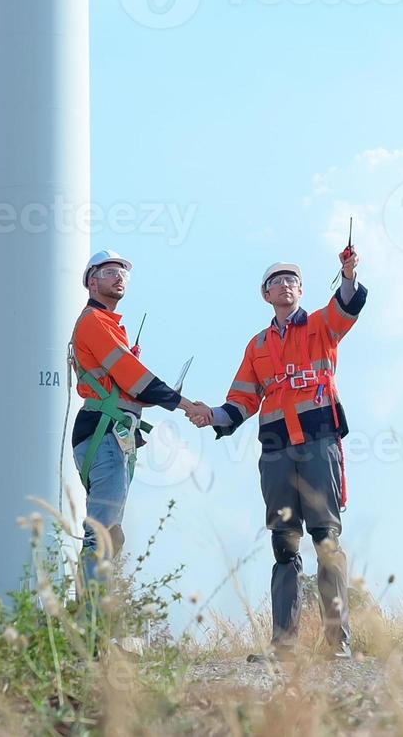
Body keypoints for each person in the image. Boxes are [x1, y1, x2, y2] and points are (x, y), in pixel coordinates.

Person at [186, 247, 365, 659]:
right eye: (275, 282)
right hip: (276, 452)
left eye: (291, 280)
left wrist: (349, 274)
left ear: (302, 290)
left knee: (326, 540)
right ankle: (283, 646)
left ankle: (337, 644)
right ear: (265, 295)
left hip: (319, 446)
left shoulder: (322, 326)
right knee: (284, 545)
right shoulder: (258, 346)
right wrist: (210, 415)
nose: (284, 285)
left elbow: (347, 306)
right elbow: (242, 400)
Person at [67, 249, 210, 590]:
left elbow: (128, 380)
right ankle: (90, 630)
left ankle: (95, 626)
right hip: (104, 435)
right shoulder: (95, 322)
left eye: (123, 273)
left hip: (112, 434)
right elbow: (134, 378)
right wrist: (186, 404)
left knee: (109, 533)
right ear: (91, 281)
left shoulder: (109, 327)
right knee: (101, 535)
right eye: (109, 272)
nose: (119, 277)